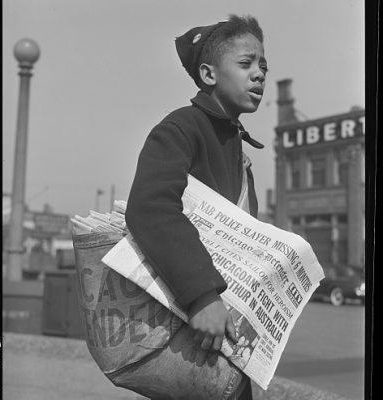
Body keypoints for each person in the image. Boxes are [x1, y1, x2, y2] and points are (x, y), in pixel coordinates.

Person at [73, 13, 267, 400]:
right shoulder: (181, 128)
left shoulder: (234, 143)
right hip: (195, 323)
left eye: (263, 65)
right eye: (246, 63)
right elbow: (150, 207)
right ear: (209, 75)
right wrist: (202, 296)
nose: (259, 74)